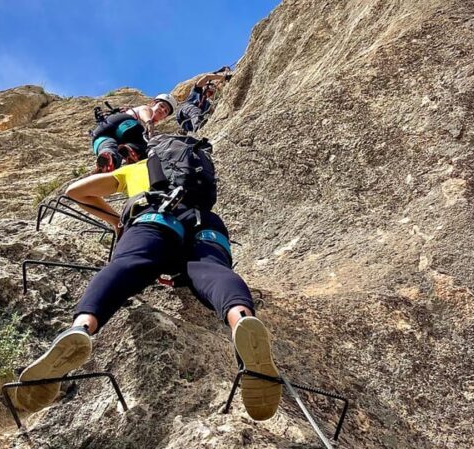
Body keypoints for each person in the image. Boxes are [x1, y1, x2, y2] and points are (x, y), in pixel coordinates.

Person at [15, 136, 282, 421]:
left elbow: (75, 191)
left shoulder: (137, 168)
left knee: (129, 265)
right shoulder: (197, 177)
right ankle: (240, 319)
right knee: (212, 270)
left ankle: (80, 329)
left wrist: (117, 220)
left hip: (155, 215)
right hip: (207, 223)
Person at [88, 94, 178, 173]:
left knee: (107, 145)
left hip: (101, 133)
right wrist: (148, 123)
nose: (162, 110)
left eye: (165, 111)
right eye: (161, 105)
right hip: (124, 125)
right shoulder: (147, 110)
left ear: (165, 117)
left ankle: (108, 161)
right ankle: (132, 149)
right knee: (149, 146)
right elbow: (145, 111)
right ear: (153, 103)